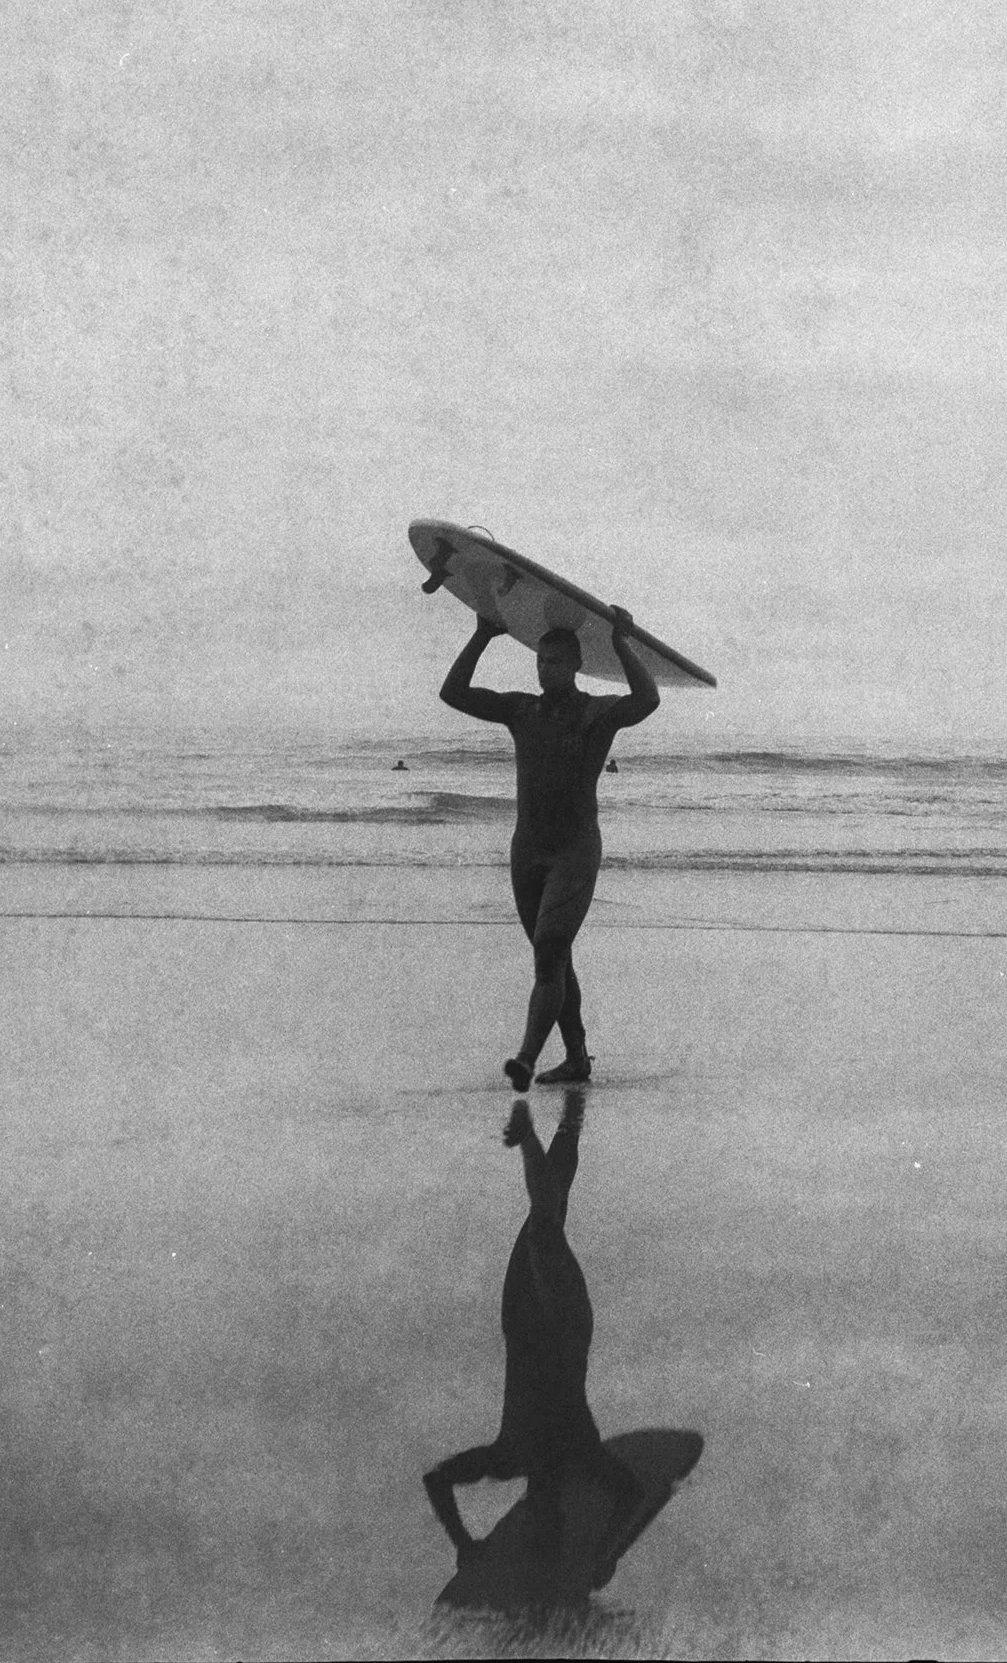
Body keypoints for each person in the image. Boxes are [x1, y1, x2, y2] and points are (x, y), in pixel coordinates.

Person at [422, 1093, 646, 1577]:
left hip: (525, 1319)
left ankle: (562, 1126)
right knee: (547, 1221)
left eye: (543, 1517)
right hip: (562, 1322)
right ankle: (559, 1128)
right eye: (552, 1519)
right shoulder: (562, 1453)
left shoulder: (514, 1457)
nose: (547, 1510)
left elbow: (436, 1479)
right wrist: (606, 1552)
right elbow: (630, 1492)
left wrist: (466, 1544)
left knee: (548, 1218)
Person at [439, 606, 659, 1090]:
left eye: (556, 662)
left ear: (576, 665)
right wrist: (482, 636)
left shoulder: (597, 713)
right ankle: (577, 1057)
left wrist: (622, 642)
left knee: (551, 950)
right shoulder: (522, 710)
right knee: (553, 960)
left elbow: (647, 700)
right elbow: (452, 693)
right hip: (528, 851)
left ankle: (525, 1058)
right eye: (541, 660)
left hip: (575, 850)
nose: (545, 670)